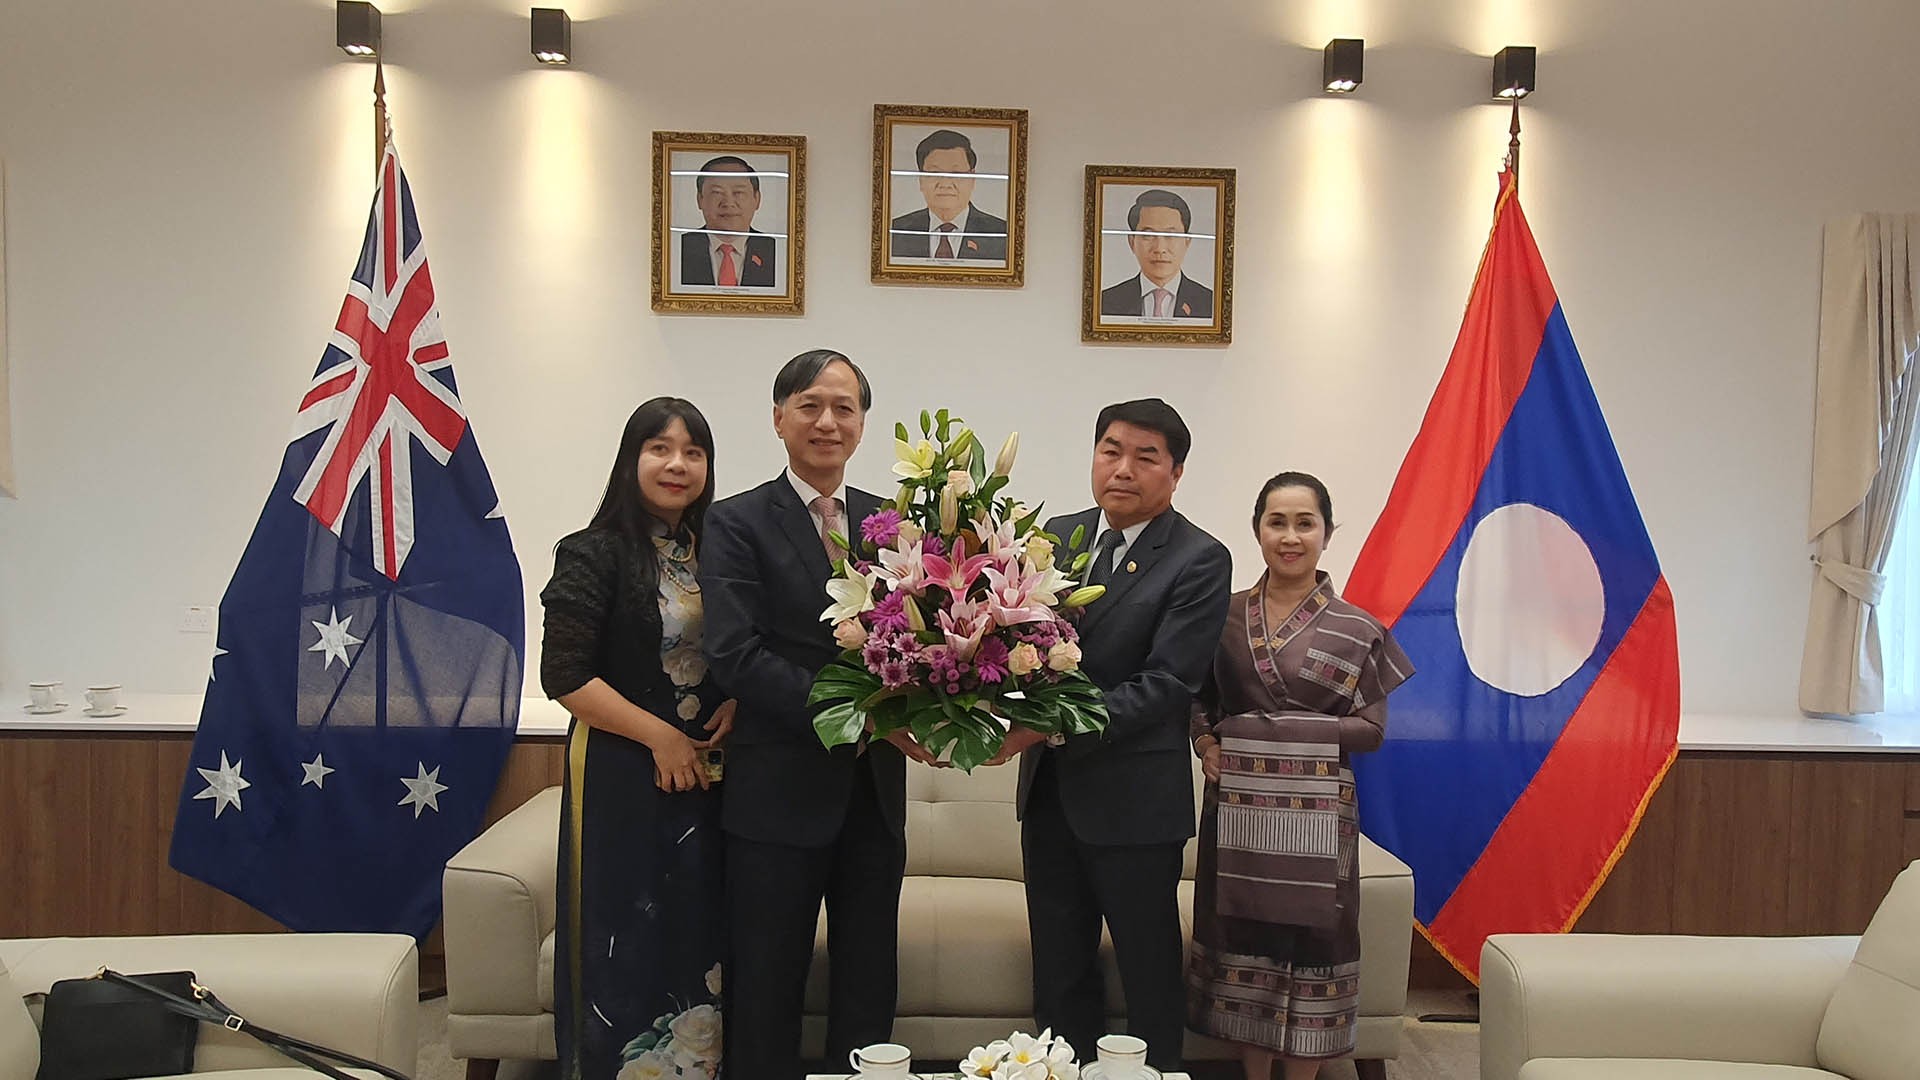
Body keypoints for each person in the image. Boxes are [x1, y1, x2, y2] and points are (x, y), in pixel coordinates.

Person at [700, 349, 939, 1080]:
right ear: (779, 419)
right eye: (810, 405)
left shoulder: (893, 525)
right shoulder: (735, 522)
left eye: (844, 407)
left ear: (863, 424)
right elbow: (736, 656)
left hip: (874, 797)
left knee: (871, 982)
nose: (827, 421)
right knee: (766, 982)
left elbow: (926, 639)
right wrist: (865, 715)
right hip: (776, 795)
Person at [991, 398, 1233, 1073]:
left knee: (1148, 969)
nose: (1122, 469)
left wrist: (1046, 726)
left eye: (1145, 456)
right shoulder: (1052, 539)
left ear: (1175, 471)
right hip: (1049, 801)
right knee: (1060, 970)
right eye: (1110, 450)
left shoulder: (1198, 559)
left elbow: (1167, 685)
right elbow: (1011, 649)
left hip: (1133, 804)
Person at [1186, 472, 1414, 1080]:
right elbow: (1198, 702)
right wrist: (1208, 741)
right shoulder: (1222, 617)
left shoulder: (1358, 627)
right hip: (1238, 808)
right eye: (1276, 522)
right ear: (1257, 530)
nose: (1290, 537)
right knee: (1243, 933)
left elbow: (1371, 730)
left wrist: (1283, 733)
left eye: (1304, 523)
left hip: (1322, 813)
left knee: (1318, 939)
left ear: (1328, 533)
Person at [540, 397, 736, 1080]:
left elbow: (749, 645)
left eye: (693, 451)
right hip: (623, 774)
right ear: (631, 459)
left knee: (703, 934)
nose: (677, 464)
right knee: (624, 940)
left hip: (714, 778)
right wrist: (661, 737)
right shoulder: (592, 552)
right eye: (659, 448)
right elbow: (563, 675)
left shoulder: (722, 549)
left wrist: (741, 697)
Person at [888, 128, 1009, 261]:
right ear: (920, 179)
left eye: (956, 173)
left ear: (972, 178)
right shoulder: (896, 231)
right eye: (934, 173)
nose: (945, 184)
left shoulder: (1000, 233)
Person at [1099, 189, 1213, 319]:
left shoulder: (1210, 303)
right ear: (1132, 242)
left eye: (1170, 235)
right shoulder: (1105, 302)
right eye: (1148, 235)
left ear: (1187, 242)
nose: (1160, 248)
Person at [680, 155, 777, 288]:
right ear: (700, 199)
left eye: (738, 193)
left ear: (757, 199)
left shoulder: (776, 251)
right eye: (717, 193)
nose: (728, 203)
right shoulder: (679, 249)